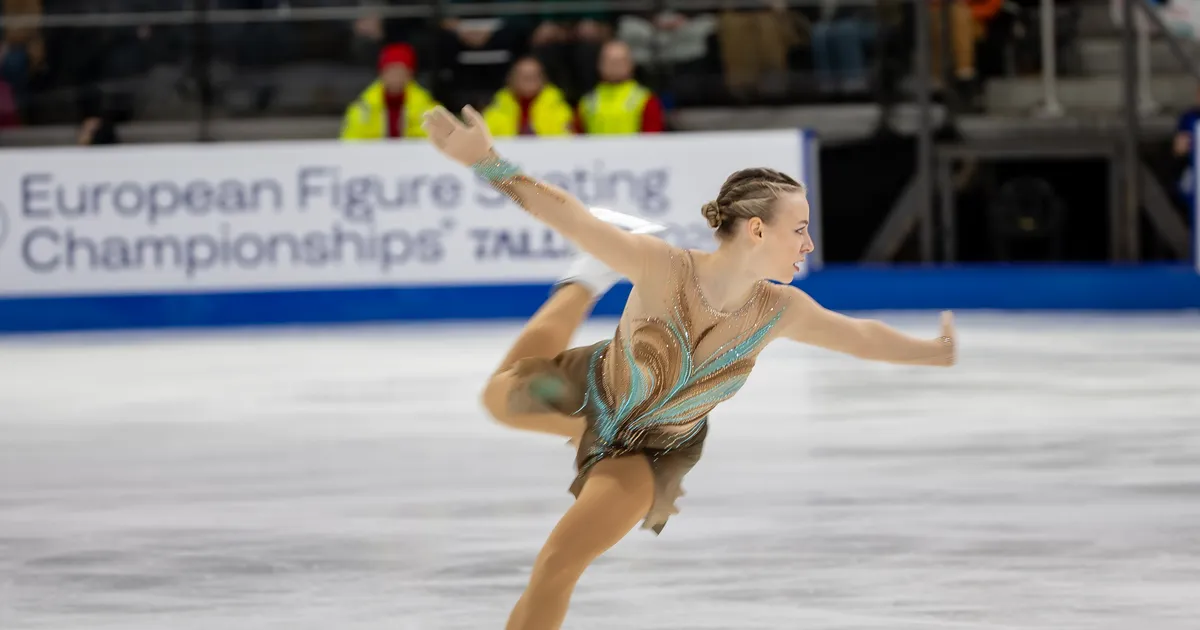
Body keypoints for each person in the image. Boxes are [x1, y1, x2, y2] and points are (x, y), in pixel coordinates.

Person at [421, 105, 957, 630]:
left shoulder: (780, 311)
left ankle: (584, 282)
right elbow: (567, 214)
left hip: (652, 451)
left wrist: (932, 352)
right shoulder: (663, 267)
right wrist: (486, 161)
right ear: (756, 230)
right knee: (496, 396)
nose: (809, 244)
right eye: (799, 229)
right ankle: (583, 281)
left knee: (557, 565)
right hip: (590, 392)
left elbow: (860, 337)